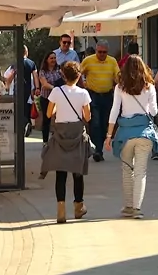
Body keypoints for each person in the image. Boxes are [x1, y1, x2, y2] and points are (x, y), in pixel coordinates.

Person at [105, 55, 158, 218]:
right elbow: (154, 112)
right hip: (144, 133)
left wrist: (109, 135)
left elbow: (114, 111)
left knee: (127, 169)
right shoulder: (149, 87)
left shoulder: (120, 88)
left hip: (125, 134)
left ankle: (128, 206)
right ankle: (137, 208)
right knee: (140, 172)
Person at [41, 60, 92, 224]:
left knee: (60, 174)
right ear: (78, 76)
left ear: (63, 75)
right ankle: (78, 207)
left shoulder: (56, 91)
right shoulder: (83, 94)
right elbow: (87, 117)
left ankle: (61, 211)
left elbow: (49, 114)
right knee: (78, 173)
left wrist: (59, 108)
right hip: (76, 133)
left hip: (60, 134)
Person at [81, 41, 120, 162]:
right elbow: (78, 73)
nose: (102, 54)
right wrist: (83, 86)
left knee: (104, 124)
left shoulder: (112, 61)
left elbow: (117, 77)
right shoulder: (88, 60)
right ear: (96, 50)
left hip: (107, 95)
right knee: (95, 123)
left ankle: (99, 148)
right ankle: (97, 150)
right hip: (93, 95)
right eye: (100, 52)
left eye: (104, 52)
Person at [36, 51, 63, 144]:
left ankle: (57, 139)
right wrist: (55, 88)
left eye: (54, 58)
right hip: (46, 98)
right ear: (47, 60)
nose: (53, 60)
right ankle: (45, 141)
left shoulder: (59, 70)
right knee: (46, 119)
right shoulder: (42, 71)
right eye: (51, 58)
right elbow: (44, 84)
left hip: (57, 99)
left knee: (58, 119)